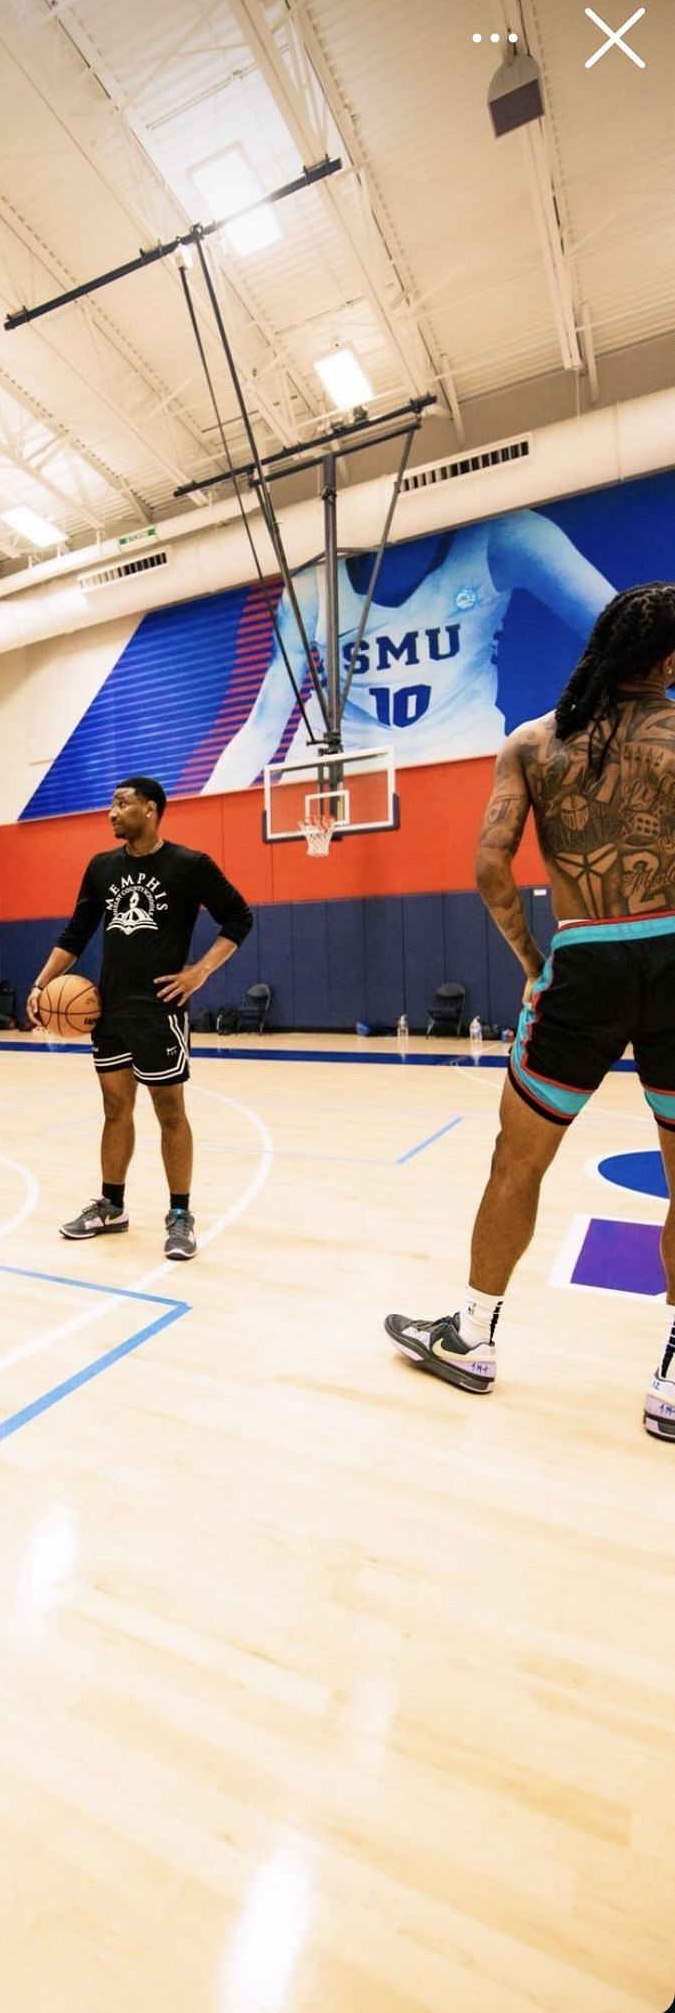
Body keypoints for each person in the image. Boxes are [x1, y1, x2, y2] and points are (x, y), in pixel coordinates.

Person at [384, 583, 675, 1443]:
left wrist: (534, 959)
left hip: (581, 960)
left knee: (518, 1159)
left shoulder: (532, 741)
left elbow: (489, 866)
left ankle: (473, 1334)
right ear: (663, 660)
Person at [204, 509, 615, 792]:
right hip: (334, 774)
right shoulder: (311, 588)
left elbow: (632, 637)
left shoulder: (504, 538)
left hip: (459, 759)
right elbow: (262, 727)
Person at [29, 775, 253, 1260]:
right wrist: (41, 983)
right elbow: (76, 932)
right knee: (115, 1109)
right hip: (108, 1008)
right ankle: (112, 1204)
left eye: (122, 804)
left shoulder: (189, 865)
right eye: (111, 804)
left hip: (161, 1009)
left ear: (150, 809)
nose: (112, 812)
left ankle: (179, 1213)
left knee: (169, 1112)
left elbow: (239, 917)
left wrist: (200, 972)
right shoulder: (100, 867)